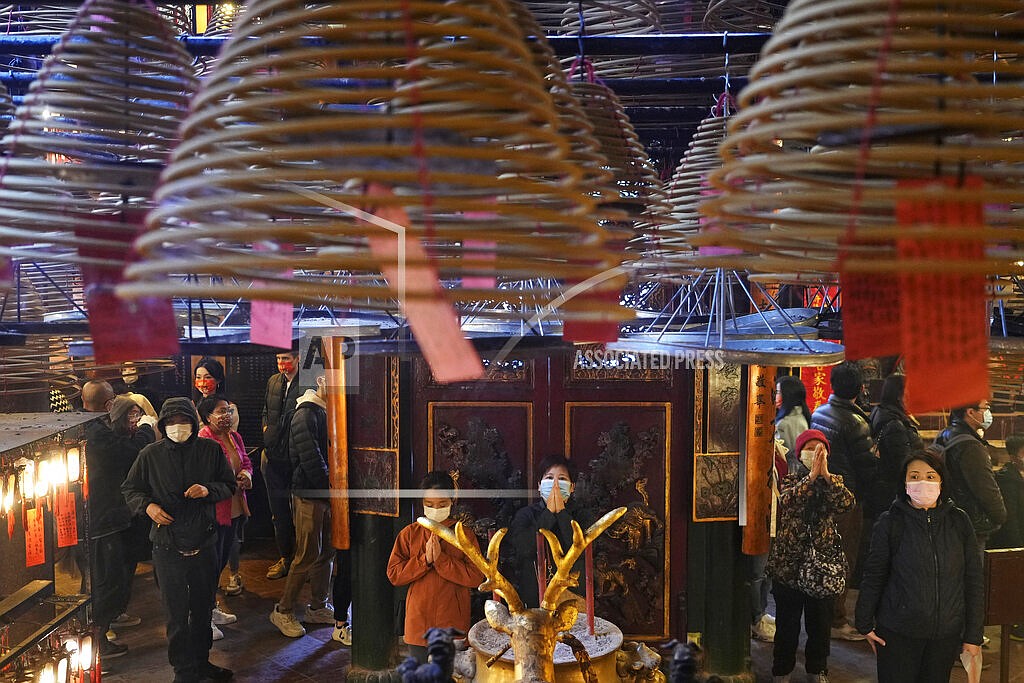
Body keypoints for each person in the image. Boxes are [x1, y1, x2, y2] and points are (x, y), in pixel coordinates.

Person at [121, 397, 237, 683]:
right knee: (175, 614)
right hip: (167, 545)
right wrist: (148, 507)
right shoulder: (150, 454)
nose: (177, 428)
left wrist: (208, 490)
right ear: (162, 425)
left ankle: (201, 662)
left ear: (194, 423)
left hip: (204, 543)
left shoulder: (210, 450)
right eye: (170, 423)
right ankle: (183, 671)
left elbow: (229, 485)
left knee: (202, 609)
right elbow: (131, 489)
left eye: (182, 422)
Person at [855, 448, 984, 682]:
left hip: (945, 635)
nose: (922, 482)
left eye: (930, 476)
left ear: (942, 482)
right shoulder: (890, 522)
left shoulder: (959, 521)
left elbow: (973, 579)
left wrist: (973, 635)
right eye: (914, 476)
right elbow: (874, 575)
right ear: (904, 483)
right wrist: (864, 623)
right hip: (897, 633)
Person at [766, 429, 855, 683]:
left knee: (820, 626)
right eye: (810, 449)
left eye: (820, 450)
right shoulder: (791, 480)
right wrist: (811, 478)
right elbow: (787, 501)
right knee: (787, 626)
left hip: (821, 569)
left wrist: (825, 477)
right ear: (799, 453)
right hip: (789, 567)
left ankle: (817, 669)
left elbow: (846, 504)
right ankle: (781, 671)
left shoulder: (833, 482)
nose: (814, 454)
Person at [82, 383, 157, 659]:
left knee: (115, 574)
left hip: (108, 514)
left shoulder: (92, 427)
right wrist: (148, 429)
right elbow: (128, 452)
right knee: (107, 578)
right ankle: (98, 641)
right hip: (104, 518)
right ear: (108, 404)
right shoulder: (97, 434)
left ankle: (107, 624)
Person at [387, 471, 483, 664]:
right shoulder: (410, 534)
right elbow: (394, 574)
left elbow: (476, 577)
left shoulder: (464, 535)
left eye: (442, 505)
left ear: (452, 501)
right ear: (422, 502)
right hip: (418, 622)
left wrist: (442, 560)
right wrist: (425, 560)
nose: (435, 509)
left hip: (452, 623)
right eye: (429, 505)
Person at [808, 361, 873, 641]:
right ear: (859, 389)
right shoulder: (857, 422)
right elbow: (868, 468)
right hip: (846, 499)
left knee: (822, 555)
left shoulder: (819, 411)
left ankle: (821, 614)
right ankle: (836, 619)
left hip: (821, 493)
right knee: (843, 557)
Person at [270, 378, 337, 638]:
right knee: (307, 553)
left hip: (327, 494)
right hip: (310, 493)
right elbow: (312, 459)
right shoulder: (306, 412)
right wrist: (329, 490)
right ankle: (283, 610)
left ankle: (318, 606)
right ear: (322, 380)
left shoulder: (328, 409)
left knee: (326, 551)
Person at [197, 397, 253, 637]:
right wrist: (230, 479)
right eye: (221, 411)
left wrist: (246, 474)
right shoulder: (203, 439)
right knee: (210, 564)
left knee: (219, 563)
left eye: (229, 410)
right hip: (216, 509)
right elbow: (206, 473)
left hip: (235, 506)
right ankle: (202, 616)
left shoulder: (235, 436)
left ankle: (210, 607)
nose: (227, 415)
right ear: (208, 416)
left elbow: (246, 461)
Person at [501, 455, 583, 609]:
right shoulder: (525, 514)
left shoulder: (582, 515)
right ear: (539, 485)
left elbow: (580, 552)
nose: (556, 485)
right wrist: (549, 514)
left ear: (572, 487)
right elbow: (523, 548)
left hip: (572, 595)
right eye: (550, 478)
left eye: (562, 479)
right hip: (533, 594)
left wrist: (562, 514)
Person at [934, 400, 1006, 550]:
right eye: (985, 408)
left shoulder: (946, 433)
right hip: (970, 523)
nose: (988, 413)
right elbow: (986, 489)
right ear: (970, 412)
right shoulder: (971, 446)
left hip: (948, 517)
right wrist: (1001, 516)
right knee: (972, 570)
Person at [261, 349, 303, 580]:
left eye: (286, 358)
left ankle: (302, 561)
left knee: (301, 512)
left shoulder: (308, 382)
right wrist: (266, 430)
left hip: (297, 455)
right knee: (278, 511)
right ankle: (285, 557)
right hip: (274, 453)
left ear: (297, 358)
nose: (281, 363)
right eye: (278, 359)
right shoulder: (273, 381)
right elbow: (266, 411)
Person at [869, 374, 923, 514]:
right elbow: (903, 464)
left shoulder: (881, 412)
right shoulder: (894, 425)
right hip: (893, 494)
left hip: (884, 490)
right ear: (899, 395)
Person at [990, 434, 1024, 640]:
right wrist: (1018, 546)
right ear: (1013, 456)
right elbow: (1010, 518)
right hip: (1015, 540)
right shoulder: (1007, 479)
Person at [775, 374, 811, 470]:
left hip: (789, 471)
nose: (775, 396)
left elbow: (784, 455)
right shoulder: (800, 415)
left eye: (778, 392)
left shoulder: (785, 423)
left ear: (787, 395)